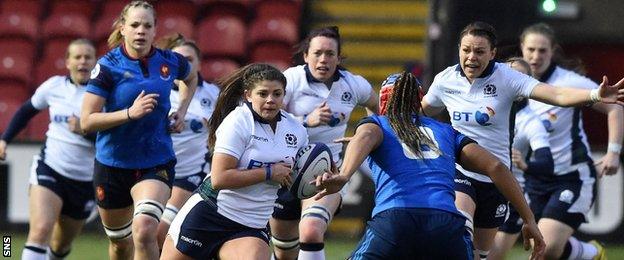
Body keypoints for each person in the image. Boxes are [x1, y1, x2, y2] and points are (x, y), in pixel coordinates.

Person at [420, 21, 623, 260]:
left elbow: (556, 94)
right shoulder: (445, 80)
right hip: (461, 172)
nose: (471, 57)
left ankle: (586, 253)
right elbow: (422, 111)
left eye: (479, 51)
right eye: (466, 50)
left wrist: (595, 94)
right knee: (458, 226)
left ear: (493, 54)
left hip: (498, 179)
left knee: (484, 255)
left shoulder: (508, 78)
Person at [314, 71, 545, 260]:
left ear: (384, 101)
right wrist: (529, 219)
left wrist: (344, 174)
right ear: (419, 100)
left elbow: (366, 136)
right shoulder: (445, 130)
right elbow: (496, 167)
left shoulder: (377, 124)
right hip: (445, 226)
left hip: (396, 220)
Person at [80, 1, 198, 259]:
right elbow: (86, 121)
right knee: (121, 244)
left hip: (155, 162)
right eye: (134, 25)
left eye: (147, 25)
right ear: (123, 28)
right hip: (112, 166)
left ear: (155, 30)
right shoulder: (108, 66)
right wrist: (129, 114)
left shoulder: (170, 60)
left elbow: (191, 77)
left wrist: (182, 110)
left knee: (145, 230)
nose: (141, 30)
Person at [160, 63, 310, 260]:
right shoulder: (238, 121)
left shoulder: (296, 130)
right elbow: (220, 178)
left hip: (251, 224)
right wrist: (269, 173)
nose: (270, 100)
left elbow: (302, 175)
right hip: (209, 214)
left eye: (277, 94)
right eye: (263, 94)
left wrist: (324, 180)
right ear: (248, 95)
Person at [270, 26, 378, 260]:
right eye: (317, 53)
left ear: (339, 58)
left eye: (330, 54)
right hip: (284, 173)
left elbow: (378, 109)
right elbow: (267, 121)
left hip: (325, 173)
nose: (323, 59)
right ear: (306, 55)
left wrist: (369, 132)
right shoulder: (290, 79)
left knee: (310, 231)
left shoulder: (353, 84)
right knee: (284, 254)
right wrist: (306, 122)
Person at [519, 23, 624, 260]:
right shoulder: (512, 82)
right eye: (531, 49)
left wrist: (613, 152)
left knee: (543, 250)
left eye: (542, 50)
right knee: (540, 247)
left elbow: (615, 108)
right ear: (522, 49)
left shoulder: (570, 82)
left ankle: (589, 251)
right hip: (532, 179)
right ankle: (587, 253)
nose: (536, 57)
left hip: (572, 177)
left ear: (553, 51)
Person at [0, 39, 97, 260]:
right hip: (51, 168)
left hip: (85, 181)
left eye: (88, 57)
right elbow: (26, 110)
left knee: (60, 246)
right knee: (41, 230)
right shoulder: (54, 86)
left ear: (95, 62)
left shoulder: (105, 96)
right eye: (77, 57)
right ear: (67, 62)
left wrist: (86, 130)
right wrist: (4, 140)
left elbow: (115, 137)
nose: (83, 62)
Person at [154, 33, 221, 249]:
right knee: (142, 233)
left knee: (160, 231)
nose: (184, 64)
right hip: (154, 172)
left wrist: (215, 130)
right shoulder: (157, 91)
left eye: (189, 59)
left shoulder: (215, 94)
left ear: (199, 63)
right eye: (178, 59)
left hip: (191, 174)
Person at [489, 57, 554, 260]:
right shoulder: (485, 108)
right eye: (508, 74)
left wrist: (525, 165)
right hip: (477, 188)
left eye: (519, 76)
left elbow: (547, 163)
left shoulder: (531, 122)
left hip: (511, 198)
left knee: (490, 257)